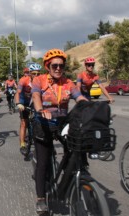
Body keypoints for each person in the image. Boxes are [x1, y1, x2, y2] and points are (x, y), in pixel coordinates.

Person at [31, 49, 87, 213]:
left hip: (62, 123)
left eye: (61, 66)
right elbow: (35, 97)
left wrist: (90, 105)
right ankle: (41, 199)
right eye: (54, 65)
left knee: (77, 148)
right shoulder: (39, 81)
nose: (58, 68)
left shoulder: (68, 83)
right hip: (43, 123)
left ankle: (73, 177)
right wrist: (41, 110)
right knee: (43, 162)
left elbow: (79, 97)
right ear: (48, 66)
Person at [14, 64, 42, 156]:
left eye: (38, 73)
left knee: (40, 120)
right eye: (34, 73)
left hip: (34, 101)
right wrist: (18, 103)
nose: (36, 75)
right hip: (23, 102)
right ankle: (22, 144)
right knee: (24, 122)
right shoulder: (23, 80)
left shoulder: (42, 80)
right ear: (30, 73)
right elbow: (18, 93)